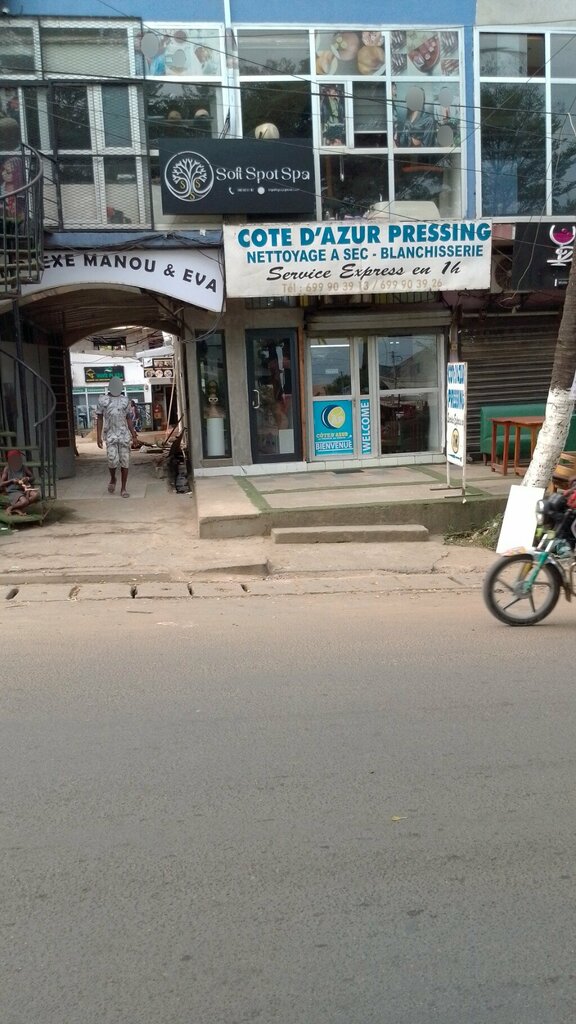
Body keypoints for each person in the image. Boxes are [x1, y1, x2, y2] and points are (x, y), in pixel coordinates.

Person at [96, 377, 138, 498]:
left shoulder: (125, 400)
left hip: (124, 435)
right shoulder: (103, 400)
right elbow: (99, 418)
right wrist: (98, 436)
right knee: (112, 460)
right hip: (110, 434)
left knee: (125, 461)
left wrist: (134, 435)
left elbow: (129, 418)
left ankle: (123, 488)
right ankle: (113, 478)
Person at [0, 449, 39, 515]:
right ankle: (11, 508)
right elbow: (1, 484)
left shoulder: (23, 467)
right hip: (14, 491)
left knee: (36, 495)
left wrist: (27, 478)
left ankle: (16, 508)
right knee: (25, 501)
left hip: (24, 488)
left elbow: (33, 477)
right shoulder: (7, 468)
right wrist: (11, 481)